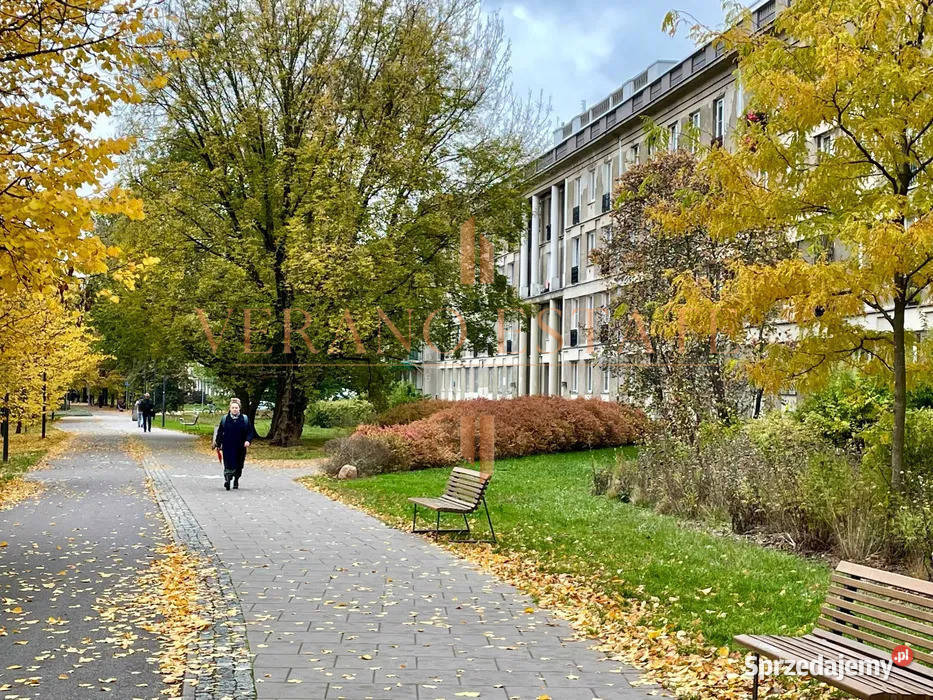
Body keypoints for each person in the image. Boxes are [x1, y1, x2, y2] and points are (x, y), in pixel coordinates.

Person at [214, 398, 255, 490]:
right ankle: (228, 480)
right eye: (233, 408)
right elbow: (220, 432)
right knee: (228, 463)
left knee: (239, 465)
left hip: (240, 446)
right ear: (230, 408)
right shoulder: (225, 419)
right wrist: (218, 443)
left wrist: (248, 440)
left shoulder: (244, 419)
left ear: (239, 408)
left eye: (236, 408)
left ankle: (236, 479)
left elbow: (250, 432)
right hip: (227, 445)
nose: (234, 409)